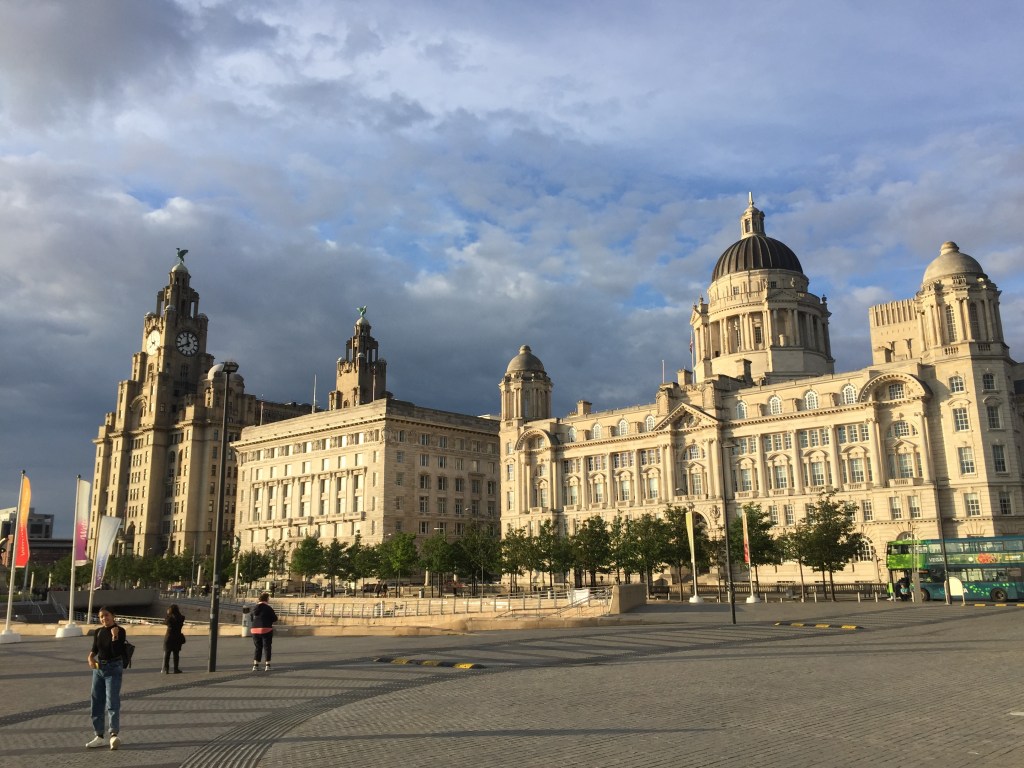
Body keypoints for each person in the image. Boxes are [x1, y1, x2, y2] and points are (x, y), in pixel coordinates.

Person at [86, 607, 126, 750]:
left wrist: (114, 636)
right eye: (101, 616)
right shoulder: (98, 632)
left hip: (113, 668)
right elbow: (95, 649)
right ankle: (99, 736)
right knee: (96, 701)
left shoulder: (119, 631)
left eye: (107, 615)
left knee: (112, 701)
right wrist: (90, 657)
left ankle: (114, 734)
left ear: (113, 616)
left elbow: (117, 652)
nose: (104, 618)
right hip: (98, 669)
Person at [250, 592, 278, 672]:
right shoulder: (268, 608)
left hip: (254, 629)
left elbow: (252, 618)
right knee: (267, 647)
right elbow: (275, 618)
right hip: (266, 629)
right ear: (267, 599)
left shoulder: (254, 608)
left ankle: (255, 665)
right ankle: (267, 666)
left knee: (258, 647)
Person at [162, 604, 186, 673]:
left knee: (167, 654)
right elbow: (181, 617)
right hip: (177, 637)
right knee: (176, 654)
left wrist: (168, 614)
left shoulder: (169, 618)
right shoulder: (181, 618)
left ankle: (167, 669)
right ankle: (176, 669)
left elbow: (164, 622)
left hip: (169, 637)